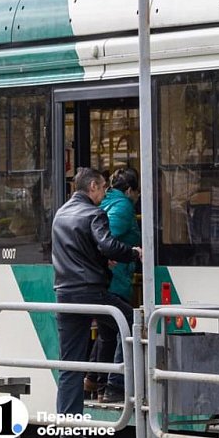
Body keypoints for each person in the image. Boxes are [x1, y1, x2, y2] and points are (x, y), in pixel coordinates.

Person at [52, 168, 142, 433]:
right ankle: (121, 386)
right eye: (103, 188)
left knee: (70, 365)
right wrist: (134, 253)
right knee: (134, 324)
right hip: (93, 294)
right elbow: (108, 245)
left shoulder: (61, 214)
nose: (104, 194)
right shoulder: (94, 214)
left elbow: (77, 250)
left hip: (65, 295)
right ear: (92, 186)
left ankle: (68, 431)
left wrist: (102, 258)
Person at [85, 167, 142, 403]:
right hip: (115, 277)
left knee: (108, 332)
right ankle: (114, 386)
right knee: (126, 326)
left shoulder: (105, 202)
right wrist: (133, 253)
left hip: (109, 277)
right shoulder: (124, 205)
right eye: (137, 193)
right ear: (130, 190)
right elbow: (108, 239)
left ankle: (94, 380)